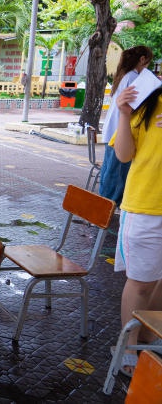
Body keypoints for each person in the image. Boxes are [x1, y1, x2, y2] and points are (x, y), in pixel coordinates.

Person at [112, 82, 162, 377]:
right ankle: (129, 347)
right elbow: (123, 154)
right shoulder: (148, 98)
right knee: (142, 282)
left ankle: (147, 335)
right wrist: (122, 112)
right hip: (146, 208)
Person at [99, 46, 153, 206]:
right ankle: (107, 208)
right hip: (120, 131)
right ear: (142, 59)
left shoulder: (124, 75)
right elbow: (138, 105)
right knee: (116, 175)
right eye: (148, 61)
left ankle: (103, 205)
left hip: (114, 129)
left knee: (110, 172)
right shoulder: (134, 77)